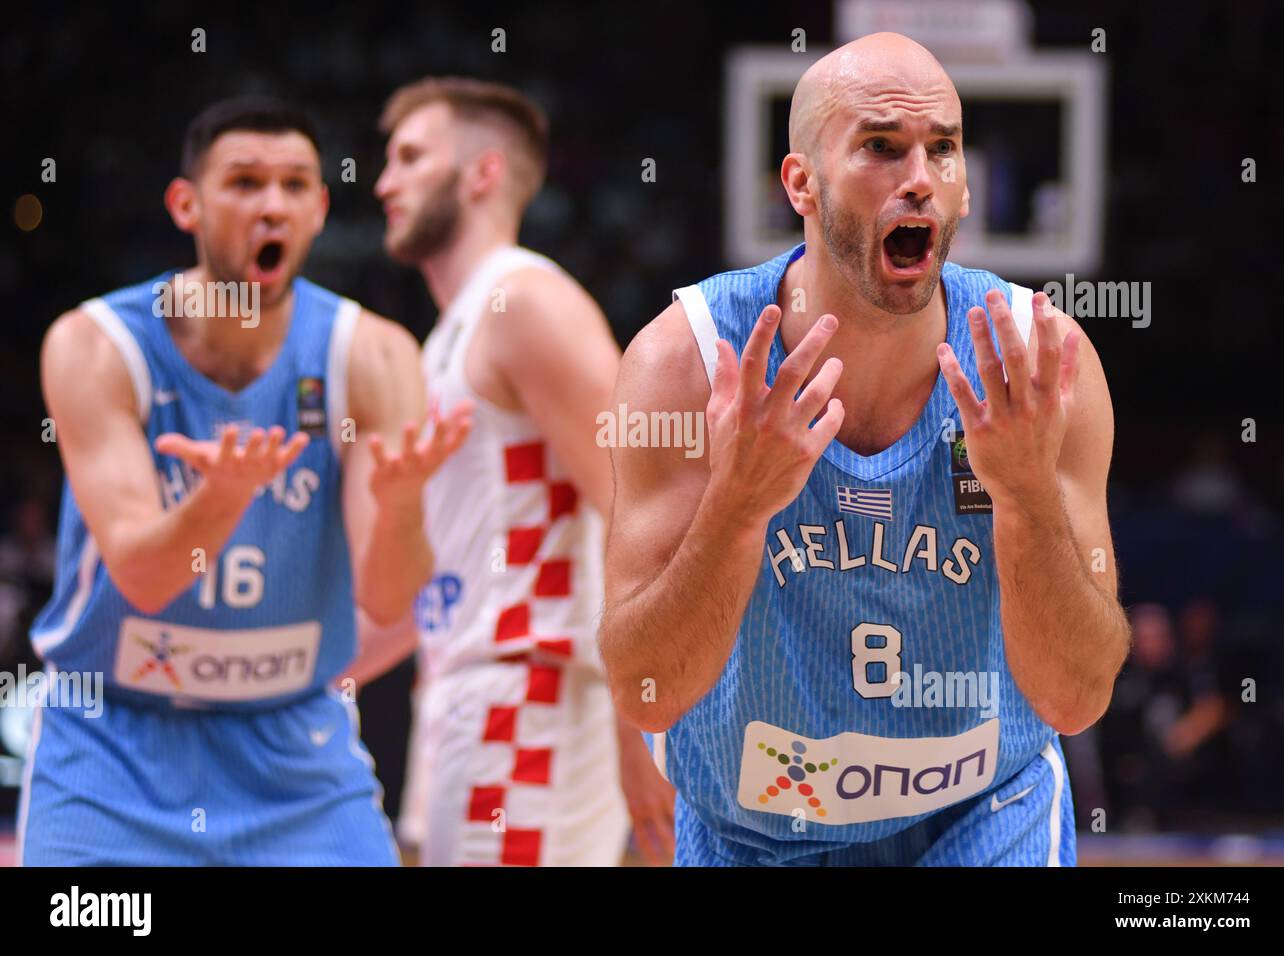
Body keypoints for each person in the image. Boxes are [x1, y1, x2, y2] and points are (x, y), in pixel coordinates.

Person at [600, 33, 1131, 866]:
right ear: (801, 184)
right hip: (756, 827)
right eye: (882, 147)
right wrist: (736, 509)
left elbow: (1076, 694)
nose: (920, 176)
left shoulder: (1040, 362)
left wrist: (1026, 496)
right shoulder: (688, 365)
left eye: (943, 150)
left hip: (982, 810)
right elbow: (647, 688)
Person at [20, 96, 470, 865]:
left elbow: (390, 597)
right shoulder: (94, 345)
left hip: (292, 742)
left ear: (322, 209)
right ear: (185, 203)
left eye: (296, 186)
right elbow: (146, 575)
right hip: (113, 742)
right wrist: (223, 496)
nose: (272, 206)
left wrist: (399, 509)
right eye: (245, 182)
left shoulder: (372, 356)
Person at [362, 77, 674, 866]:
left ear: (483, 173)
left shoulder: (527, 301)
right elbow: (434, 584)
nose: (383, 182)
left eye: (408, 157)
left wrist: (641, 719)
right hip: (464, 688)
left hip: (534, 692)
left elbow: (639, 500)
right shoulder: (449, 336)